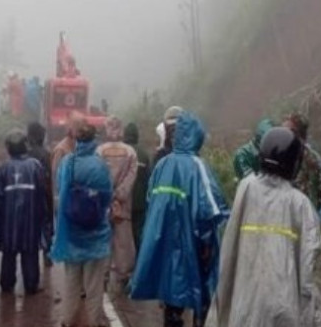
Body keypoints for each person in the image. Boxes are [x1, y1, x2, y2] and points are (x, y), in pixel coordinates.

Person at [214, 126, 321, 327]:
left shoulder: (246, 188)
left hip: (243, 306)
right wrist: (312, 318)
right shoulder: (300, 204)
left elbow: (228, 250)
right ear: (294, 163)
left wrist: (221, 307)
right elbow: (309, 264)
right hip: (283, 311)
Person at [130, 111, 229, 327]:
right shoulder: (197, 167)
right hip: (191, 243)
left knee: (172, 290)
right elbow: (211, 209)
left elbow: (150, 200)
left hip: (163, 239)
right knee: (200, 291)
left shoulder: (162, 165)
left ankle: (172, 320)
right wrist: (208, 242)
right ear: (196, 136)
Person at [50, 112, 113, 327]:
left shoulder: (68, 163)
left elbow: (60, 190)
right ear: (94, 140)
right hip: (96, 234)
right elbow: (107, 197)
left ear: (77, 140)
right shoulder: (100, 165)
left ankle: (68, 321)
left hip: (72, 234)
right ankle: (94, 322)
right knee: (94, 287)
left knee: (71, 283)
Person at [0, 129, 49, 295]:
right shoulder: (35, 166)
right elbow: (42, 192)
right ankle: (31, 284)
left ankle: (6, 284)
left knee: (8, 252)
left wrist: (0, 219)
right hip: (30, 219)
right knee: (30, 251)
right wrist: (43, 216)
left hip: (9, 220)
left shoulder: (4, 168)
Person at [96, 115, 137, 296]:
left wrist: (107, 194)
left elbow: (96, 176)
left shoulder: (99, 151)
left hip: (103, 204)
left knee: (103, 240)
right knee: (123, 242)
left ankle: (102, 277)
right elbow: (131, 176)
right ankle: (124, 277)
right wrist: (119, 195)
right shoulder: (130, 152)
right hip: (123, 204)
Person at [283, 113, 321, 215]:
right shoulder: (280, 153)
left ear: (297, 133)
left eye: (287, 131)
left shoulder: (312, 159)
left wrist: (311, 211)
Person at [26, 121, 55, 269]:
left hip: (26, 198)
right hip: (42, 197)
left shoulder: (24, 153)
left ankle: (31, 262)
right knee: (46, 227)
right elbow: (48, 180)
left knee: (30, 229)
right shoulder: (46, 154)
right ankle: (47, 255)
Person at [123, 122, 151, 251]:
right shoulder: (144, 155)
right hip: (139, 203)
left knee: (121, 236)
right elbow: (148, 180)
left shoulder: (121, 152)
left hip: (122, 201)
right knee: (138, 234)